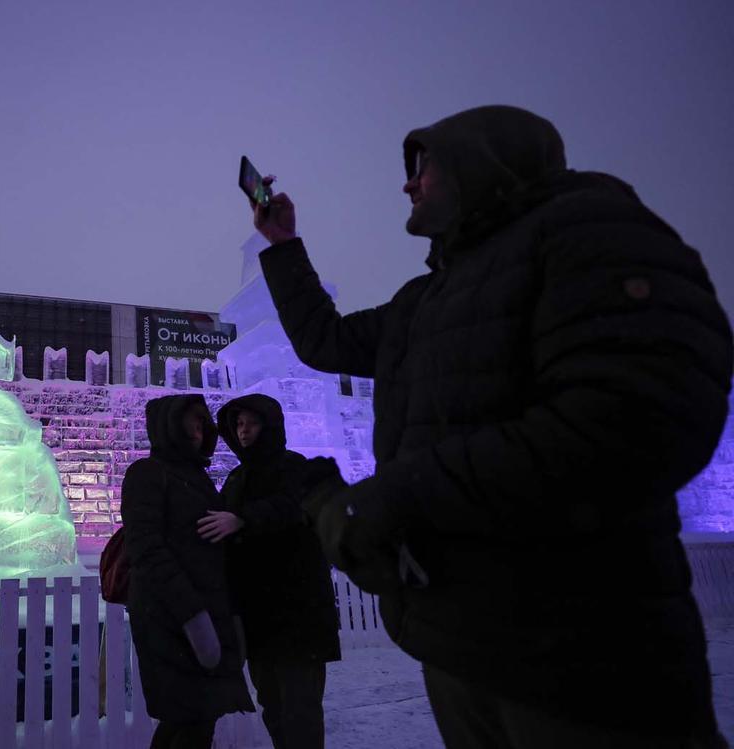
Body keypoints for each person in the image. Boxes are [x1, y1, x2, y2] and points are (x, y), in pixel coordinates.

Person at [250, 104, 733, 747]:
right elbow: (326, 340)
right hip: (462, 642)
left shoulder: (590, 232)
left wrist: (402, 496)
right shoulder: (424, 300)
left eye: (423, 166)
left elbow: (636, 419)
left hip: (583, 650)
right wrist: (284, 247)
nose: (407, 183)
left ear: (481, 165)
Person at [196, 393, 342, 749]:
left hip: (296, 613)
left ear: (270, 426)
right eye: (239, 425)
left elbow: (292, 508)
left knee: (300, 707)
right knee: (273, 705)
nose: (244, 432)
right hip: (257, 615)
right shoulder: (236, 478)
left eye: (251, 424)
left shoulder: (294, 467)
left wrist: (243, 519)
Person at [121, 394, 254, 748]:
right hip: (170, 616)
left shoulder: (196, 475)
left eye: (201, 421)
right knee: (187, 718)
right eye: (191, 421)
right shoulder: (147, 474)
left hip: (206, 609)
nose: (199, 428)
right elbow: (146, 548)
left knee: (199, 719)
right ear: (170, 425)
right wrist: (191, 613)